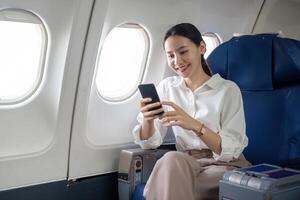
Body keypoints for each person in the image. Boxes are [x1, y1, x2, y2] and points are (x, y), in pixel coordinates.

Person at [132, 23, 250, 200]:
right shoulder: (167, 87)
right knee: (171, 160)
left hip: (224, 166)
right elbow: (150, 144)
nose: (177, 61)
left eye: (183, 52)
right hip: (186, 163)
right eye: (170, 55)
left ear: (201, 48)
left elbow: (231, 149)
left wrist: (195, 125)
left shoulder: (228, 90)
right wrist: (148, 120)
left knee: (170, 180)